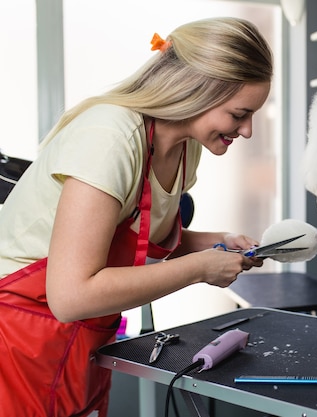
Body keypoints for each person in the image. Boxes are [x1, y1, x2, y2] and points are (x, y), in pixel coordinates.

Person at [0, 16, 272, 416]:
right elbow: (70, 295)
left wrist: (218, 244)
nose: (247, 130)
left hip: (85, 338)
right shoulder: (110, 138)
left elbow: (136, 239)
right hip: (23, 337)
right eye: (239, 114)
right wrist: (200, 268)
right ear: (199, 92)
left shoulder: (184, 147)